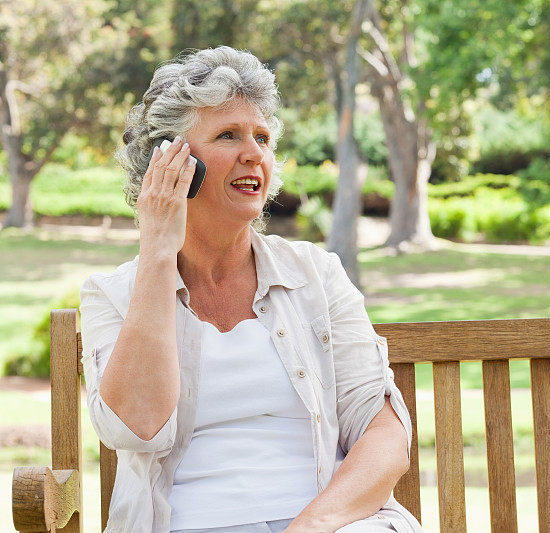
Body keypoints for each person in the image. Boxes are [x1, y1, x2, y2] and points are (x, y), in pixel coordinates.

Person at [79, 46, 422, 533]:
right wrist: (158, 250)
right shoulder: (111, 295)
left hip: (325, 523)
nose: (254, 153)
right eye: (228, 135)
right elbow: (135, 425)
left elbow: (383, 430)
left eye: (262, 137)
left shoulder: (316, 275)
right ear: (170, 161)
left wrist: (313, 525)